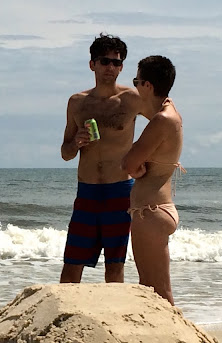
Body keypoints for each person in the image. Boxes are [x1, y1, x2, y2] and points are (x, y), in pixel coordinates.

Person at [60, 33, 142, 283]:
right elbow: (65, 153)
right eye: (105, 61)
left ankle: (114, 308)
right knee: (72, 264)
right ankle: (66, 308)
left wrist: (149, 159)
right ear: (92, 64)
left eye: (116, 63)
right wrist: (76, 142)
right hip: (87, 191)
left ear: (122, 67)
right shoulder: (77, 103)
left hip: (120, 190)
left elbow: (164, 121)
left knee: (114, 266)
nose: (110, 67)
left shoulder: (132, 99)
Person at [121, 56, 184, 305]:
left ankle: (178, 331)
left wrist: (135, 167)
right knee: (155, 289)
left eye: (136, 81)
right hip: (156, 209)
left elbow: (128, 163)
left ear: (147, 85)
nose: (135, 86)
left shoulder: (162, 119)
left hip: (151, 212)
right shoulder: (169, 111)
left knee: (156, 291)